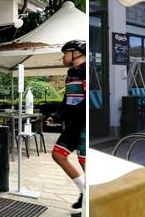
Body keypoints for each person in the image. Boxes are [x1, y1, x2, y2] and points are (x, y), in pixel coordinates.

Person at [52, 40, 86, 216]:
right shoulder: (70, 74)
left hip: (84, 125)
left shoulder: (87, 71)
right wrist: (56, 116)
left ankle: (91, 202)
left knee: (86, 163)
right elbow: (67, 100)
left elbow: (85, 102)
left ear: (77, 53)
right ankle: (85, 191)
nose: (63, 56)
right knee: (58, 154)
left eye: (66, 52)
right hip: (73, 124)